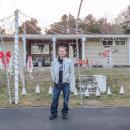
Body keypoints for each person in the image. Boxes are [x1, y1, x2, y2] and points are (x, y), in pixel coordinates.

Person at [50, 46, 74, 120]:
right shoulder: (54, 62)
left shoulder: (69, 61)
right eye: (60, 51)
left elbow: (72, 71)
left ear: (65, 52)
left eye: (63, 51)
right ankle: (54, 113)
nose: (62, 52)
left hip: (65, 83)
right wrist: (54, 79)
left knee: (66, 99)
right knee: (54, 99)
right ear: (58, 52)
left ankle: (64, 113)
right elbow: (52, 71)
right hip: (57, 83)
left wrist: (69, 80)